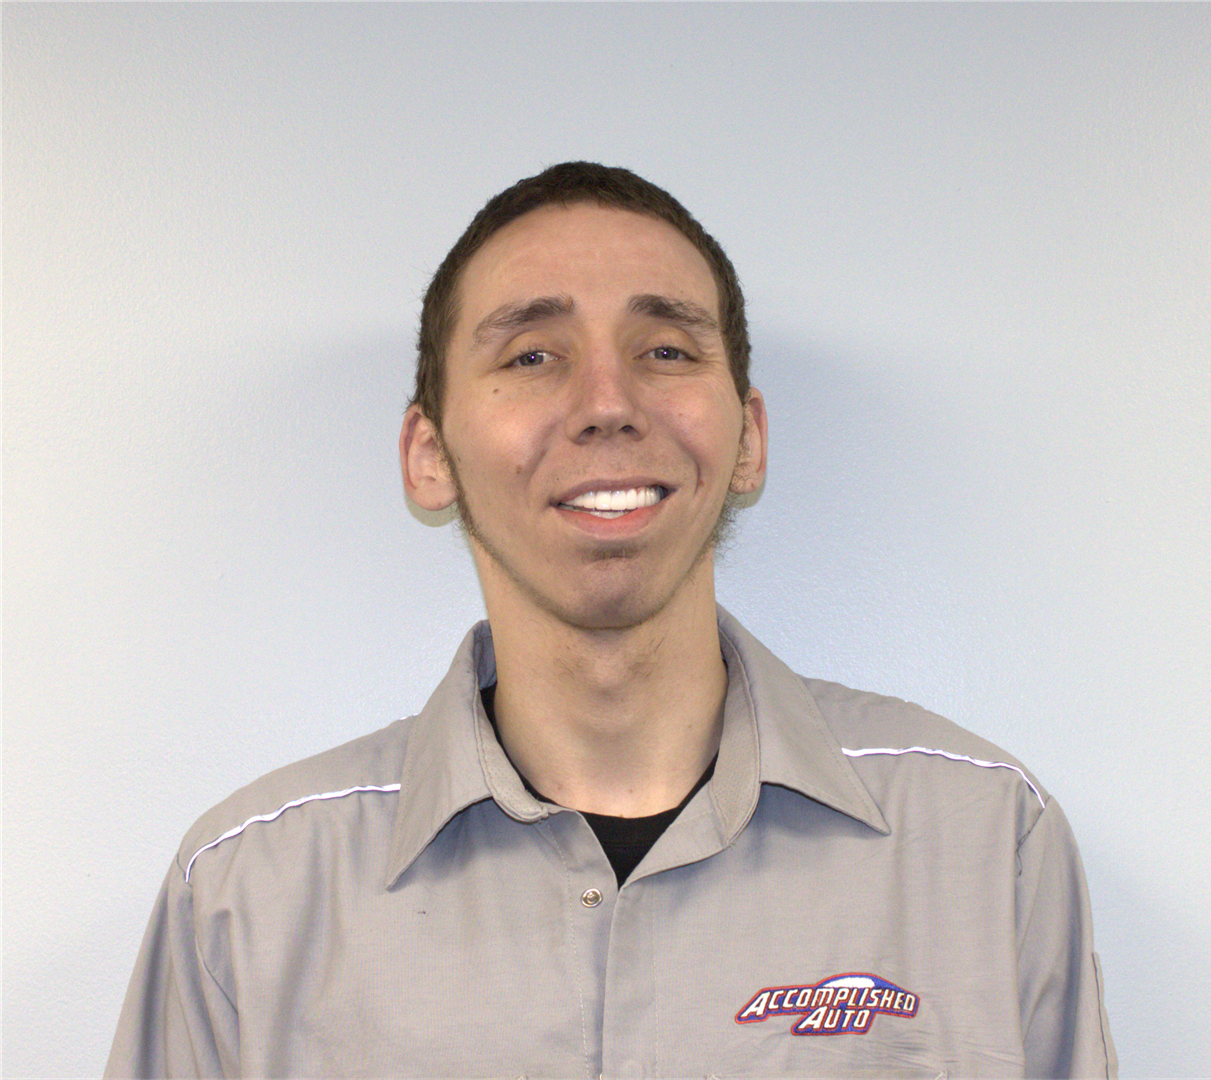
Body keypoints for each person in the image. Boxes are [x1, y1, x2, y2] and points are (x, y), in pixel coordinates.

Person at [106, 162, 1117, 1079]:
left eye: (665, 349)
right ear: (430, 455)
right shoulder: (250, 897)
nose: (606, 402)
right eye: (534, 355)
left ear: (747, 439)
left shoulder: (982, 848)